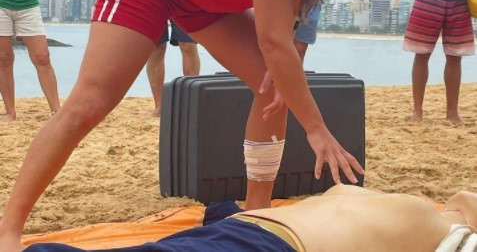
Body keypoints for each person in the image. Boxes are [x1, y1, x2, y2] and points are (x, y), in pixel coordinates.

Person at [0, 0, 387, 251]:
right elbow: (273, 41)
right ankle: (9, 228)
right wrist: (317, 131)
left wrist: (281, 75)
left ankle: (257, 212)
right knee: (88, 105)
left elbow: (285, 27)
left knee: (270, 85)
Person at [23, 184, 477, 251]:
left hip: (253, 234)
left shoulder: (436, 227)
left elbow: (224, 211)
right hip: (258, 239)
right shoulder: (431, 225)